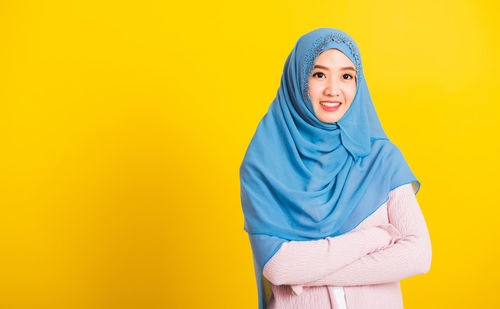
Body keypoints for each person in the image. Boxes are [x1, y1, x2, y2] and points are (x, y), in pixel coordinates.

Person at [239, 28, 432, 309]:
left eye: (346, 76)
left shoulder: (382, 158)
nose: (333, 89)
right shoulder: (263, 167)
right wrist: (377, 237)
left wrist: (306, 272)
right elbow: (278, 267)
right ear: (297, 79)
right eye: (318, 74)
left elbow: (417, 255)